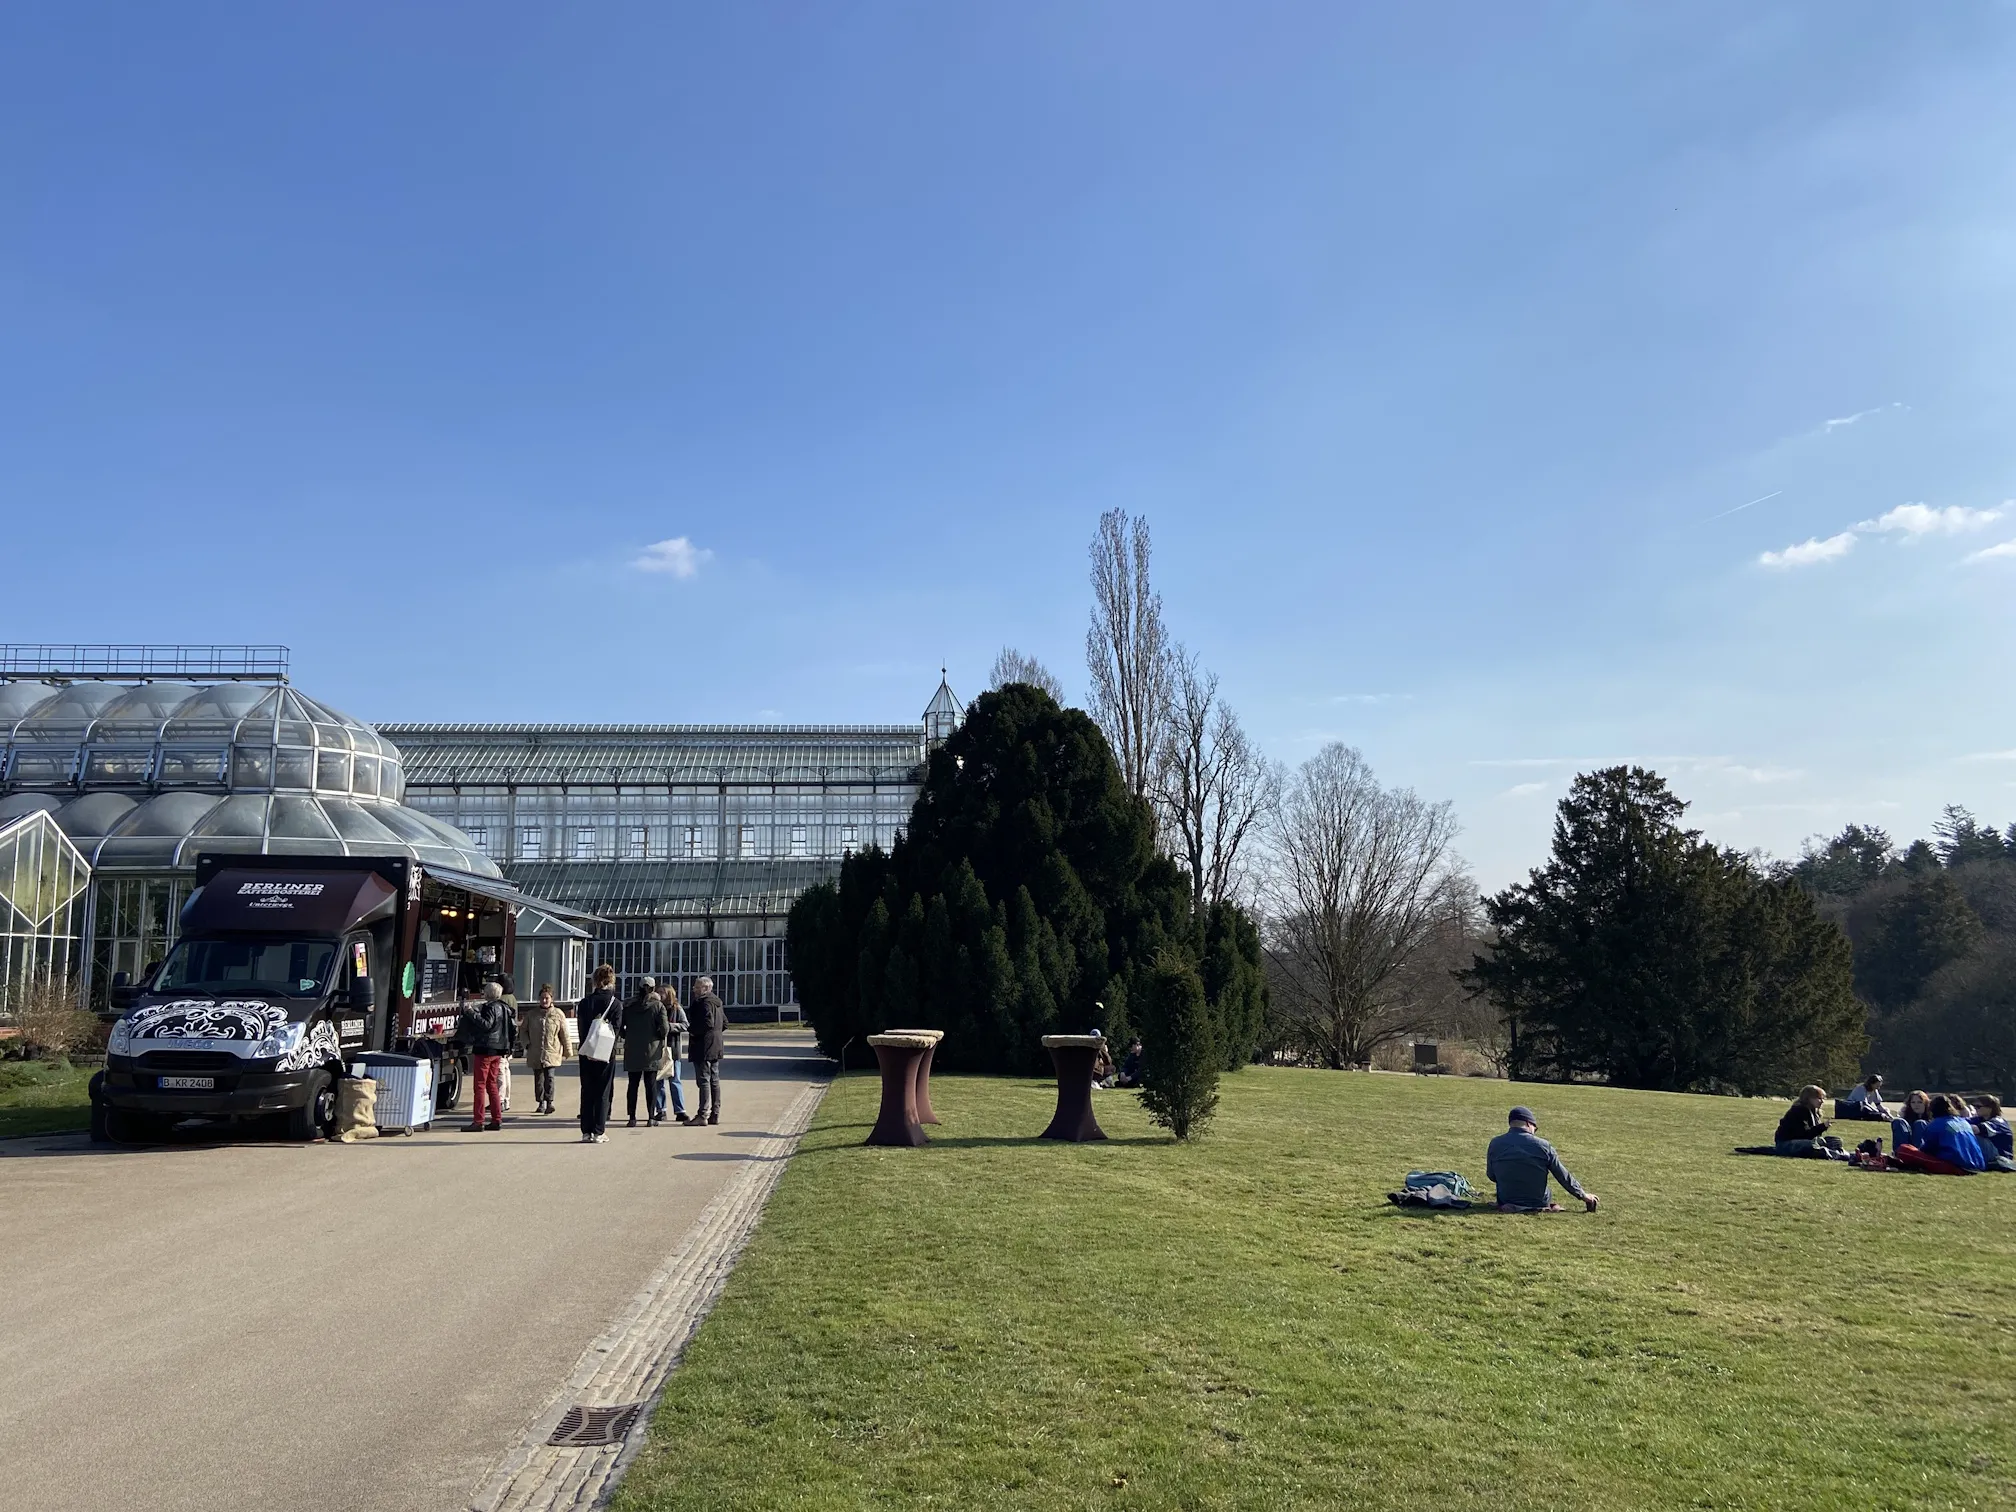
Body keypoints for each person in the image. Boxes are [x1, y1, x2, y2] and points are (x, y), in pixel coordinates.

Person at [1486, 1106, 1598, 1212]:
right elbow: (1563, 1176)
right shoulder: (1544, 1146)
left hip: (1506, 1200)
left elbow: (1491, 1175)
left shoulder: (1495, 1143)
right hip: (1538, 1202)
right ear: (1529, 1124)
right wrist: (1583, 1196)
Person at [452, 981, 517, 1132]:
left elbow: (487, 1025)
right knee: (492, 1085)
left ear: (488, 994)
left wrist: (470, 1012)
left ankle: (478, 1120)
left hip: (485, 1049)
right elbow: (512, 1029)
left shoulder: (490, 1007)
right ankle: (496, 1119)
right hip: (499, 1049)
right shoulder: (505, 1008)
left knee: (480, 1086)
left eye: (484, 991)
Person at [575, 964, 620, 1144]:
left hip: (586, 1049)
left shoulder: (585, 1002)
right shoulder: (615, 1003)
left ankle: (586, 1131)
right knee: (603, 1091)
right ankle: (599, 1131)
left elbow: (581, 1028)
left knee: (587, 1090)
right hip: (606, 1052)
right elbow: (616, 1030)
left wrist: (587, 1045)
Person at [621, 979, 670, 1128]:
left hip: (632, 1049)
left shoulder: (629, 1006)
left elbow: (621, 1028)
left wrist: (629, 1036)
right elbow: (665, 1029)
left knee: (633, 1085)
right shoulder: (658, 1006)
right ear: (654, 988)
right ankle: (650, 1117)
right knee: (651, 1085)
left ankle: (632, 1117)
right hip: (652, 1050)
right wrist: (657, 1037)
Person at [519, 982, 570, 1115]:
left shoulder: (558, 1014)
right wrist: (527, 1043)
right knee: (539, 1079)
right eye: (542, 998)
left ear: (551, 999)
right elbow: (523, 1031)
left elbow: (564, 1033)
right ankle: (540, 1102)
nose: (544, 1000)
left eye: (547, 998)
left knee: (550, 1078)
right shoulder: (532, 1014)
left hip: (551, 1051)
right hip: (535, 1051)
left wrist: (567, 1050)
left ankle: (550, 1102)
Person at [688, 974, 727, 1126]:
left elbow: (707, 1023)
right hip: (715, 1044)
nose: (694, 990)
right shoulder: (717, 1002)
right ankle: (715, 1113)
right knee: (714, 1080)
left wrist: (693, 1031)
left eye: (697, 987)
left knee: (704, 1080)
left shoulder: (702, 1003)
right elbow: (724, 1023)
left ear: (706, 988)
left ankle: (702, 1114)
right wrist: (715, 1036)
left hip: (702, 1045)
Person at [1773, 1085, 1836, 1156]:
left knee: (1831, 1141)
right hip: (1785, 1143)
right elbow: (1804, 1135)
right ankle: (1831, 1154)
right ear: (1809, 1098)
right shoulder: (1798, 1111)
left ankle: (1832, 1152)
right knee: (1810, 1144)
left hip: (1800, 1141)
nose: (1822, 1101)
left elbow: (1813, 1135)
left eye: (1823, 1098)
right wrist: (1822, 1126)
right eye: (1819, 1098)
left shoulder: (1814, 1112)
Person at [659, 987, 691, 1125]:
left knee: (675, 1080)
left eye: (663, 992)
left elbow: (685, 1025)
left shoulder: (677, 1009)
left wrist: (670, 1027)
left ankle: (680, 1111)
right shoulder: (656, 1007)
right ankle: (660, 1110)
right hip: (658, 1050)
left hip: (674, 1050)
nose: (660, 994)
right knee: (658, 1080)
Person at [1969, 1095, 2013, 1165]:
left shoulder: (1999, 1122)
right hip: (1991, 1153)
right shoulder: (1979, 1119)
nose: (1975, 1108)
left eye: (1978, 1106)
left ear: (1990, 1108)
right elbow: (1963, 1122)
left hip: (2001, 1156)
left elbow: (1976, 1129)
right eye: (1974, 1106)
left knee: (1973, 1137)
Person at [1891, 1090, 1934, 1155]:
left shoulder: (1932, 1116)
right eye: (1913, 1102)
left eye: (1919, 1102)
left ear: (1925, 1103)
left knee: (1920, 1123)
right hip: (1906, 1146)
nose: (1916, 1105)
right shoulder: (1906, 1116)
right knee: (1898, 1121)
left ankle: (1917, 1155)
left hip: (1923, 1149)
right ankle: (1899, 1153)